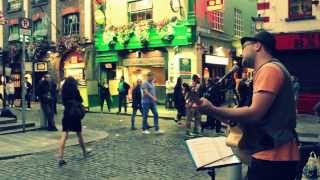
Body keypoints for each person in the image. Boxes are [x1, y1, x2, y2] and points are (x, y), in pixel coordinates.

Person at [191, 31, 299, 180]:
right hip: (269, 158)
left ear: (257, 46)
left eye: (244, 46)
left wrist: (213, 109)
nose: (241, 52)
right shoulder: (264, 71)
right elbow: (242, 120)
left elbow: (254, 113)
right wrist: (209, 110)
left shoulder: (269, 70)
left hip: (273, 159)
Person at [58, 76, 91, 167]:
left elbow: (63, 102)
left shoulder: (63, 91)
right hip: (75, 115)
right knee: (79, 134)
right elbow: (80, 100)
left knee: (64, 135)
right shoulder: (75, 90)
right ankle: (84, 152)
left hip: (67, 114)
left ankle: (60, 157)